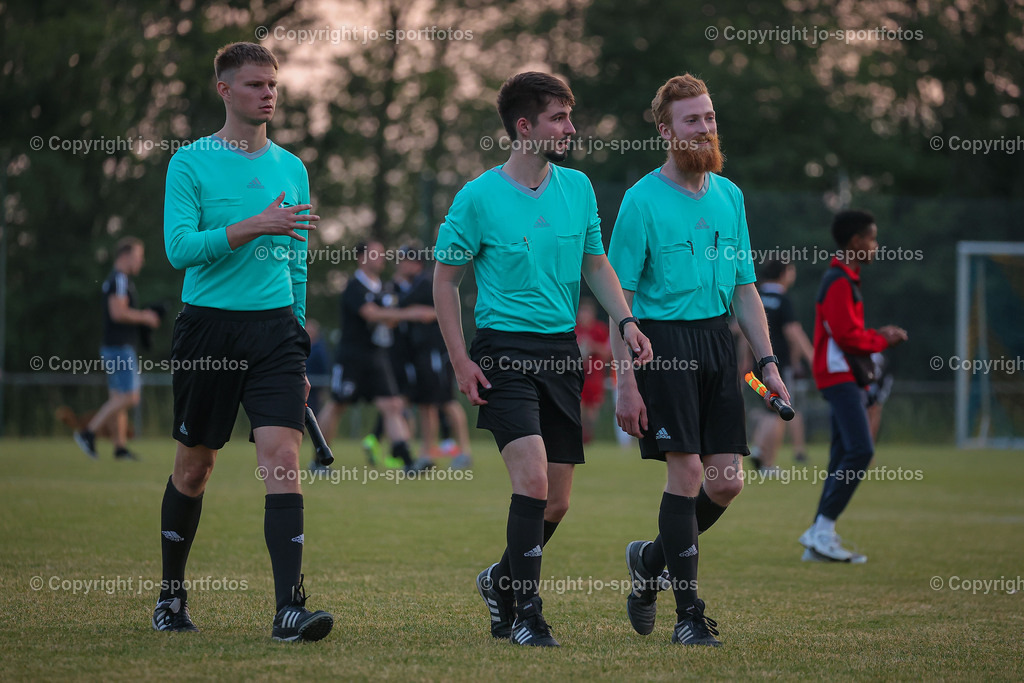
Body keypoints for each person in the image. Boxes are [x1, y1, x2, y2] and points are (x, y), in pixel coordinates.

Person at [433, 72, 652, 647]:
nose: (570, 128)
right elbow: (445, 281)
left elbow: (596, 265)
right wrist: (461, 361)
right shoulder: (477, 196)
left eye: (569, 117)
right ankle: (528, 614)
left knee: (556, 501)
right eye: (559, 118)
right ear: (524, 127)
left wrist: (626, 319)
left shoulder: (577, 188)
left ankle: (499, 581)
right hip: (503, 351)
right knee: (530, 482)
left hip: (561, 354)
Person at [158, 42, 333, 641]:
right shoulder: (190, 163)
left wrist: (300, 337)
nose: (268, 94)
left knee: (282, 460)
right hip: (208, 327)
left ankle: (289, 608)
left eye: (272, 85)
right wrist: (257, 223)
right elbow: (180, 249)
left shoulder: (292, 166)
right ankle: (171, 598)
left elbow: (299, 263)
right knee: (195, 468)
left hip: (276, 332)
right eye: (255, 85)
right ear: (225, 91)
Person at [608, 74, 789, 646]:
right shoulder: (639, 200)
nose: (705, 127)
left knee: (727, 483)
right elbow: (623, 301)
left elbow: (744, 289)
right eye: (693, 119)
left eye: (709, 116)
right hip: (661, 344)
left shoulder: (729, 195)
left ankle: (650, 563)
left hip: (718, 343)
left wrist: (767, 360)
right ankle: (688, 616)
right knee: (685, 476)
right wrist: (626, 383)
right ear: (666, 130)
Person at [800, 209, 907, 563]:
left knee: (840, 456)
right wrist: (883, 338)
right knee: (861, 451)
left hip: (843, 377)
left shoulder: (847, 279)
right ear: (856, 242)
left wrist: (875, 337)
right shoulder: (838, 280)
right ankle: (822, 531)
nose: (876, 246)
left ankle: (818, 538)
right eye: (873, 239)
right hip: (839, 377)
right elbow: (847, 336)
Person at [316, 241, 435, 472]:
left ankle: (407, 462)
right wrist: (411, 313)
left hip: (377, 356)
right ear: (361, 258)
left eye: (382, 253)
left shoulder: (384, 289)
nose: (382, 258)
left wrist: (396, 314)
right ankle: (319, 460)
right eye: (376, 253)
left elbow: (388, 320)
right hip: (352, 356)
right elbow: (370, 314)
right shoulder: (354, 286)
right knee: (338, 404)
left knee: (392, 406)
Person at [74, 237, 160, 461]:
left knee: (117, 398)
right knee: (131, 397)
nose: (141, 261)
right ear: (125, 256)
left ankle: (120, 448)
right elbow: (118, 312)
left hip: (113, 347)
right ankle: (88, 432)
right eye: (138, 256)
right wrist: (146, 317)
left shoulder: (118, 280)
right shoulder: (119, 279)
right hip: (119, 348)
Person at [398, 246, 473, 468]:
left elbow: (401, 303)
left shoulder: (424, 281)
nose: (401, 265)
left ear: (417, 263)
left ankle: (464, 451)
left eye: (405, 260)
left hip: (436, 354)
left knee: (446, 401)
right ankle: (427, 453)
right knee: (426, 404)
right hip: (422, 355)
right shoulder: (416, 284)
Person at [748, 260, 813, 473]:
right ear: (784, 273)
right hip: (777, 365)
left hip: (756, 365)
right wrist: (812, 357)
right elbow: (793, 332)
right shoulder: (783, 300)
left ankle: (758, 450)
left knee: (767, 409)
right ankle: (766, 462)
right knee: (779, 411)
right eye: (791, 270)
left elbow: (740, 331)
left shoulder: (755, 296)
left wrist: (743, 362)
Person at [574, 297, 611, 443]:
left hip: (594, 376)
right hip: (577, 375)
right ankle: (580, 438)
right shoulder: (574, 329)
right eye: (582, 312)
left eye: (587, 312)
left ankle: (588, 438)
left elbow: (607, 353)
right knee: (578, 408)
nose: (584, 315)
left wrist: (592, 346)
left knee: (591, 412)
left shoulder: (599, 329)